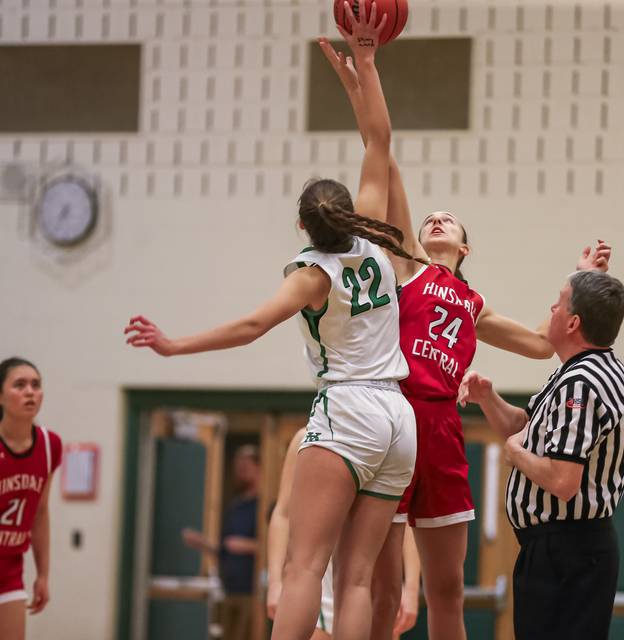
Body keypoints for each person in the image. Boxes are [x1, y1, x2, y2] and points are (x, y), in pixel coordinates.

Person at [125, 5, 420, 639]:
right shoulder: (374, 239)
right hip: (400, 420)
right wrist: (366, 63)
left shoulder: (312, 273)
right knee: (360, 578)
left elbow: (249, 328)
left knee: (305, 563)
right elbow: (378, 141)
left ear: (302, 227)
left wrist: (175, 347)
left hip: (349, 409)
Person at [319, 40, 611, 640]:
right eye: (430, 218)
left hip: (445, 432)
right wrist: (362, 77)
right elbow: (383, 149)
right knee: (385, 590)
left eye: (449, 220)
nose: (436, 219)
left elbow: (538, 342)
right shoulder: (409, 266)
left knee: (446, 589)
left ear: (467, 247)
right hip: (394, 420)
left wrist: (588, 278)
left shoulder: (473, 304)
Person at [458, 270, 624, 640]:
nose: (551, 308)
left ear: (573, 322)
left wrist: (513, 455)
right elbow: (524, 429)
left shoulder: (581, 383)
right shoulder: (584, 370)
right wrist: (488, 398)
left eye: (559, 302)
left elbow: (561, 480)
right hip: (564, 548)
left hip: (568, 550)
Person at [266, 429, 421, 639]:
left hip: (370, 575)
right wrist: (275, 582)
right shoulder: (308, 436)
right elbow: (283, 513)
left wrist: (411, 588)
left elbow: (406, 518)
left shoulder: (392, 434)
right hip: (320, 575)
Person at [0, 358, 62, 640]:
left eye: (36, 385)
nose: (30, 392)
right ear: (1, 396)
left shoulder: (50, 445)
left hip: (10, 569)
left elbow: (40, 513)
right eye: (20, 385)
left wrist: (43, 574)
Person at [182, 445, 261, 640]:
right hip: (229, 589)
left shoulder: (263, 506)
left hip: (253, 593)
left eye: (246, 467)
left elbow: (276, 548)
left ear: (259, 469)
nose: (241, 472)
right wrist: (202, 543)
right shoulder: (235, 507)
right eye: (238, 467)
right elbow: (224, 549)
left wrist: (247, 545)